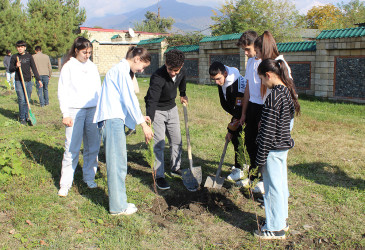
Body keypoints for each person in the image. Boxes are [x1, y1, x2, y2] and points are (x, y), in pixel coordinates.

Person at [94, 46, 153, 215]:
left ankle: (120, 202)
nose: (142, 70)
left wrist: (140, 116)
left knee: (119, 163)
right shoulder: (121, 71)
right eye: (143, 66)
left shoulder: (121, 70)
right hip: (112, 122)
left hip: (114, 120)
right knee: (116, 164)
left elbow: (124, 100)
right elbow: (129, 98)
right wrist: (142, 124)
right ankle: (118, 207)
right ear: (137, 58)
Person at [254, 58, 300, 239]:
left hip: (272, 149)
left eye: (262, 79)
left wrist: (260, 157)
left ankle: (275, 228)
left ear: (269, 75)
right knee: (280, 185)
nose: (263, 84)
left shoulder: (274, 96)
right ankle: (282, 220)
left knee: (272, 189)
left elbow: (268, 130)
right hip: (282, 147)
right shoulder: (287, 91)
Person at [57, 37, 102, 197]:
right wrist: (65, 114)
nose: (87, 55)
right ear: (76, 50)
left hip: (92, 111)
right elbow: (62, 91)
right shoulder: (68, 66)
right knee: (72, 148)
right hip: (74, 111)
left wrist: (100, 110)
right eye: (84, 52)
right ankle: (65, 184)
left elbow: (98, 89)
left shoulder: (92, 66)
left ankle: (89, 177)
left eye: (89, 52)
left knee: (93, 147)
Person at [251, 30, 293, 194]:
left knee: (275, 171)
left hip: (277, 121)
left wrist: (260, 159)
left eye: (258, 52)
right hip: (272, 114)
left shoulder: (277, 66)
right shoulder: (278, 90)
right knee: (278, 174)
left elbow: (269, 134)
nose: (256, 55)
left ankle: (274, 200)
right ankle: (279, 205)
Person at [144, 49, 188, 190]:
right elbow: (152, 100)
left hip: (172, 108)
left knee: (177, 140)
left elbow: (182, 79)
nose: (173, 73)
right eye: (170, 69)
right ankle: (159, 175)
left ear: (180, 66)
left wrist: (182, 93)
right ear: (165, 64)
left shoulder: (181, 71)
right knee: (159, 144)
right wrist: (148, 123)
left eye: (176, 70)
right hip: (157, 110)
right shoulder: (158, 77)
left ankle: (175, 167)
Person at [208, 61, 248, 180]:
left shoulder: (237, 85)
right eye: (214, 79)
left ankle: (239, 169)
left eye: (218, 79)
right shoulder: (222, 81)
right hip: (237, 112)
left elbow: (239, 109)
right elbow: (226, 103)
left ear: (225, 73)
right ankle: (243, 165)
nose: (217, 82)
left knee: (238, 139)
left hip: (245, 113)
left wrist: (230, 129)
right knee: (238, 138)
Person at [236, 31, 263, 187]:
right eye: (244, 50)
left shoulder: (266, 62)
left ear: (256, 45)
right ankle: (253, 175)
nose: (246, 53)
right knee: (250, 142)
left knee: (261, 145)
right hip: (252, 106)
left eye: (248, 49)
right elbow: (247, 88)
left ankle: (261, 179)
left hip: (263, 107)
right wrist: (244, 112)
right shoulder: (251, 62)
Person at [9, 40, 42, 125]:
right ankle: (22, 118)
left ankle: (27, 116)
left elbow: (34, 68)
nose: (20, 49)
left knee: (28, 99)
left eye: (22, 47)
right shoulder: (14, 57)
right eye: (18, 47)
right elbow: (10, 69)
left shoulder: (29, 56)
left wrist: (38, 79)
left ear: (25, 48)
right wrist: (16, 66)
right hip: (19, 81)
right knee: (22, 99)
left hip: (28, 81)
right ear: (17, 48)